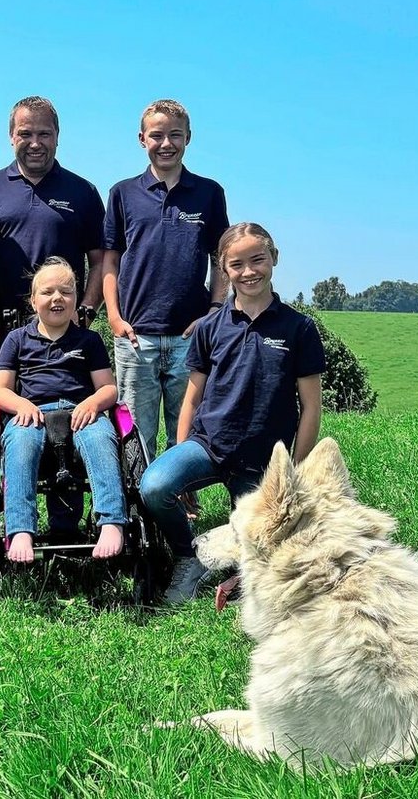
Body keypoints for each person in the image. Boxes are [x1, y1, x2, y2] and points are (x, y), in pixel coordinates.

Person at [140, 222, 325, 604]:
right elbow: (192, 399)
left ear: (274, 259)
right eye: (236, 264)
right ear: (224, 271)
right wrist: (181, 454)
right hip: (208, 446)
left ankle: (241, 572)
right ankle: (189, 556)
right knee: (154, 486)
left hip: (263, 460)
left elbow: (310, 407)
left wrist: (296, 470)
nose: (248, 271)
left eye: (257, 260)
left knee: (266, 542)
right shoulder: (210, 327)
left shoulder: (299, 328)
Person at [0, 95, 107, 535]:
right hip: (8, 329)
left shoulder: (82, 192)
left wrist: (87, 310)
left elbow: (100, 261)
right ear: (11, 136)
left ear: (57, 136)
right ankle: (16, 521)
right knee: (18, 424)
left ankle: (65, 528)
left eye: (44, 133)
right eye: (25, 133)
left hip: (67, 327)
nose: (35, 142)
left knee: (69, 415)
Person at [101, 99, 229, 462]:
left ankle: (181, 494)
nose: (166, 143)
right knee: (135, 437)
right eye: (157, 135)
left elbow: (221, 258)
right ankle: (140, 496)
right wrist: (114, 317)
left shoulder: (209, 193)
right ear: (142, 139)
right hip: (135, 335)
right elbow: (110, 260)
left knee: (187, 433)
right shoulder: (123, 193)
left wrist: (214, 312)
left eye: (175, 134)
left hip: (190, 336)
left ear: (189, 137)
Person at [0, 258, 127, 562]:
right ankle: (21, 529)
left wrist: (93, 403)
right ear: (33, 300)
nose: (57, 298)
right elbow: (1, 390)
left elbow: (108, 388)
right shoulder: (16, 340)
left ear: (76, 299)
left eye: (66, 292)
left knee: (100, 439)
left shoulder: (89, 340)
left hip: (81, 411)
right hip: (32, 413)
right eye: (48, 292)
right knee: (20, 442)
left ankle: (111, 522)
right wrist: (21, 404)